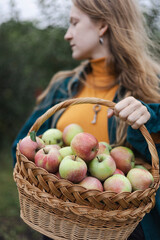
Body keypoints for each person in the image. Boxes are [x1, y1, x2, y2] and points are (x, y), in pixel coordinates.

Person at [12, 0, 160, 240]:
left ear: (102, 26)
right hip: (60, 225)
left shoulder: (152, 85)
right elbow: (22, 146)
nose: (67, 35)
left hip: (123, 230)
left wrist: (152, 119)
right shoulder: (62, 88)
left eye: (74, 23)